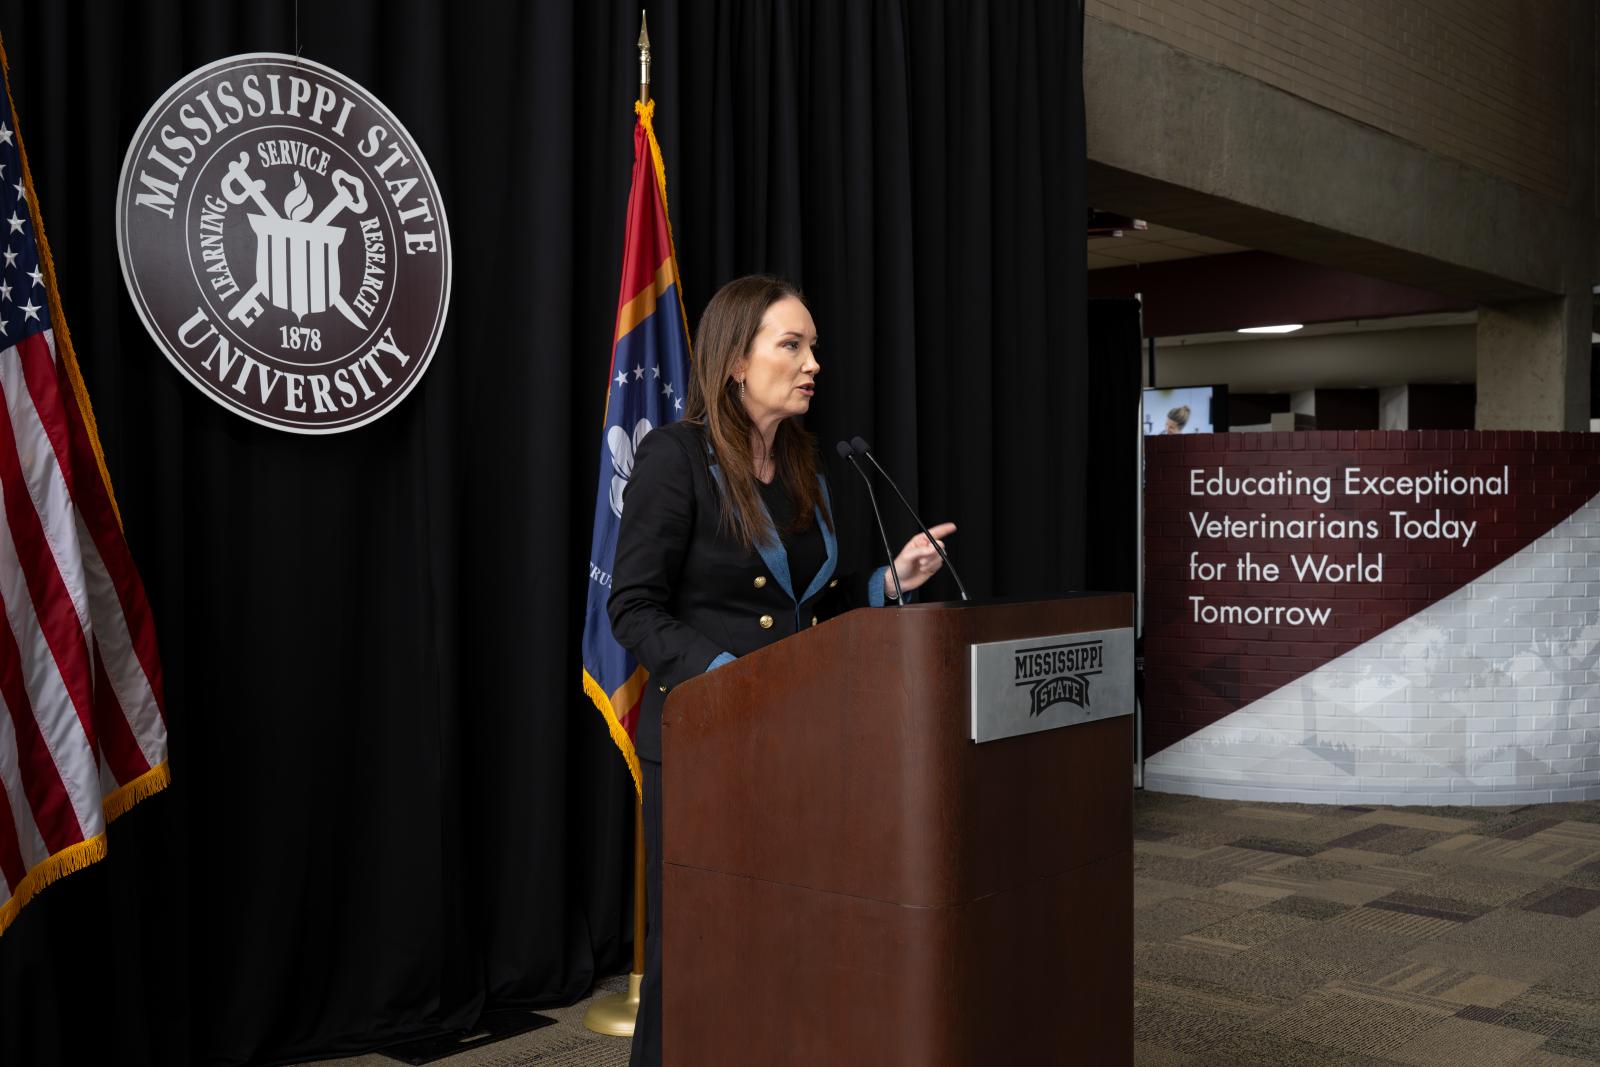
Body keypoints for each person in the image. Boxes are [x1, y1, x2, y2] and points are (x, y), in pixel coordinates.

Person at [607, 274, 954, 1067]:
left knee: (786, 933)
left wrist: (891, 579)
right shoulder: (675, 458)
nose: (811, 363)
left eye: (813, 347)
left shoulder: (806, 466)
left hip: (798, 740)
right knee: (702, 943)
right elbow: (632, 607)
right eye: (791, 345)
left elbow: (809, 612)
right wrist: (729, 679)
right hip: (707, 742)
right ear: (736, 359)